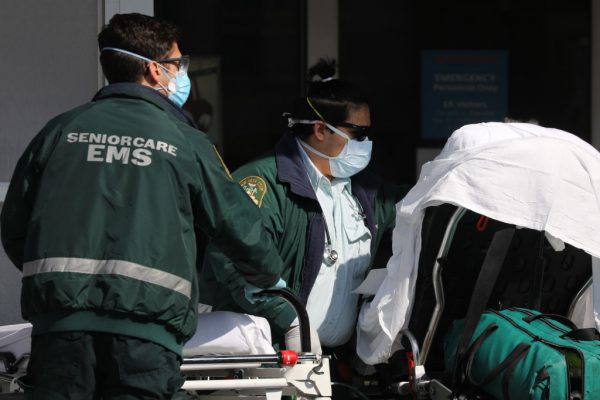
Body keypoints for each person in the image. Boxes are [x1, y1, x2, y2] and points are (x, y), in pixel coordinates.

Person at [0, 13, 285, 399]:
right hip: (144, 339)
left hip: (60, 334)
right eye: (177, 64)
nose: (182, 74)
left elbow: (15, 228)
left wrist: (63, 285)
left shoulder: (59, 132)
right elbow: (238, 227)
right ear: (154, 70)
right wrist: (268, 276)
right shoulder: (185, 142)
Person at [199, 59, 407, 358]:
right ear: (321, 130)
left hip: (332, 363)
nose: (366, 142)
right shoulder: (262, 184)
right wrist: (292, 322)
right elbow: (235, 260)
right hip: (264, 359)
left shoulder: (366, 190)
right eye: (358, 133)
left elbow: (420, 210)